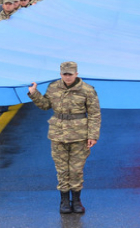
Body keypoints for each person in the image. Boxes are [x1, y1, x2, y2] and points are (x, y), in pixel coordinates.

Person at [27, 61, 101, 214]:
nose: (67, 77)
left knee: (76, 169)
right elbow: (45, 105)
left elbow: (94, 114)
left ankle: (77, 200)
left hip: (79, 135)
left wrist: (93, 135)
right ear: (60, 74)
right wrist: (34, 94)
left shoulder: (87, 90)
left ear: (76, 74)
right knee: (62, 169)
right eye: (65, 74)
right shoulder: (53, 87)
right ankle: (64, 200)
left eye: (70, 74)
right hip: (58, 135)